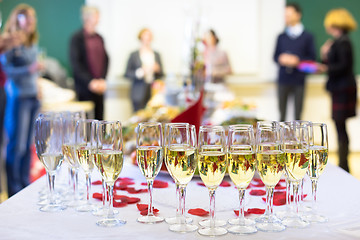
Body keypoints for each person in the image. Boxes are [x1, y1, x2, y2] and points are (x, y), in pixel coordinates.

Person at [0, 4, 42, 196]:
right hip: (18, 98)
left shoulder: (31, 42)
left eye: (32, 17)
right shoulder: (10, 42)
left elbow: (35, 71)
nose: (31, 21)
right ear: (18, 19)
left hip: (33, 97)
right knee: (15, 145)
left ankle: (24, 185)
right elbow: (8, 72)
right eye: (27, 17)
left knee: (27, 146)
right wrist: (29, 69)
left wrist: (38, 84)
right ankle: (13, 189)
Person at [318, 8, 357, 172]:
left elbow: (342, 66)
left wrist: (324, 66)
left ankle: (344, 165)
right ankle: (343, 164)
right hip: (341, 88)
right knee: (339, 126)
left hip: (343, 88)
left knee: (340, 125)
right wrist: (325, 55)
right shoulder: (338, 42)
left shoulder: (343, 42)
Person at [274, 3, 316, 121]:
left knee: (298, 116)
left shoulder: (308, 37)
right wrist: (281, 59)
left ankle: (297, 138)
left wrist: (298, 62)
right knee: (282, 114)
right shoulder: (281, 36)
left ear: (298, 15)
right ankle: (280, 139)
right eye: (285, 15)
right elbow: (275, 56)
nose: (286, 17)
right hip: (283, 79)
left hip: (299, 80)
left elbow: (312, 61)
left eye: (289, 14)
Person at [69, 6, 108, 120]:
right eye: (96, 16)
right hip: (84, 88)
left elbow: (106, 60)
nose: (98, 19)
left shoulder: (100, 38)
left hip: (99, 87)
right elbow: (76, 63)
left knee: (100, 123)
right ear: (87, 18)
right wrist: (90, 82)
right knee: (86, 125)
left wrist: (102, 80)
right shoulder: (76, 38)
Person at [125, 28, 164, 112]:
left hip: (153, 90)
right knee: (139, 116)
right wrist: (140, 72)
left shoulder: (156, 55)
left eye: (149, 36)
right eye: (145, 36)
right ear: (140, 38)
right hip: (138, 91)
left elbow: (162, 74)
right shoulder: (134, 55)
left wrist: (157, 69)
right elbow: (127, 73)